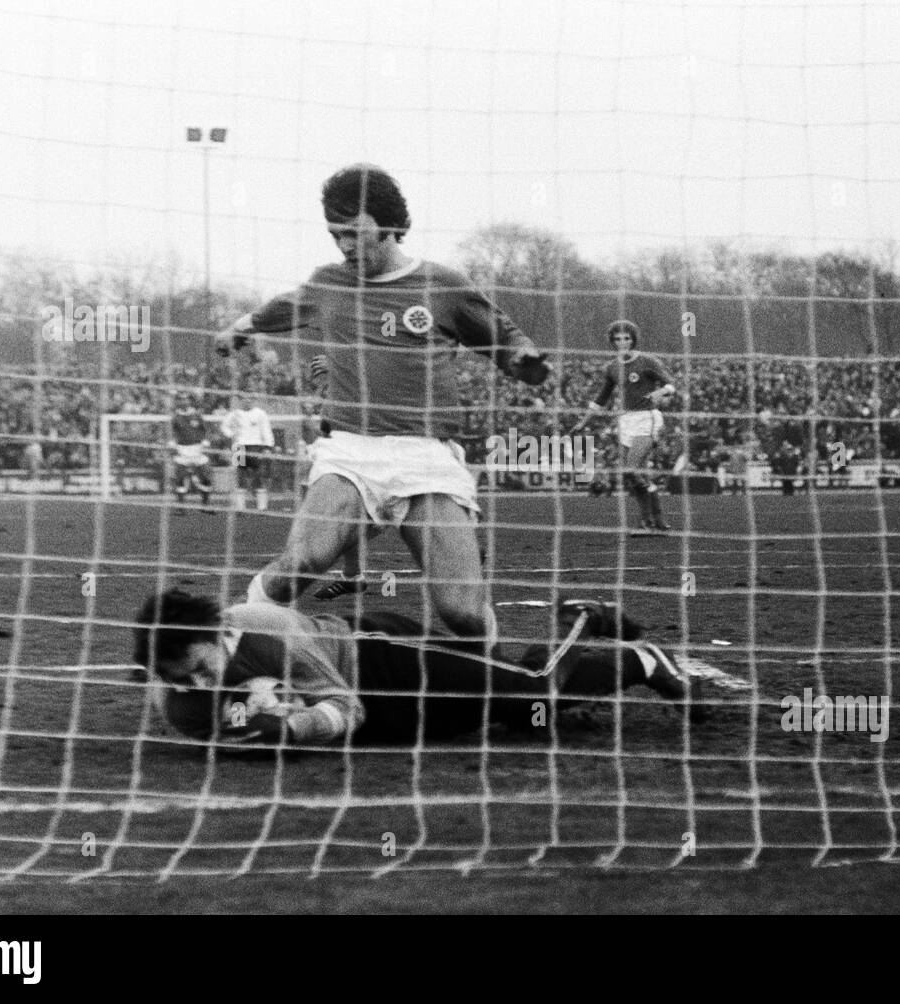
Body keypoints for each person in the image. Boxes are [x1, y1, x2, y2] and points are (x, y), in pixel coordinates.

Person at [217, 164, 550, 650]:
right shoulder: (328, 283)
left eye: (355, 234)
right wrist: (240, 327)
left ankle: (498, 679)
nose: (345, 247)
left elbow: (506, 342)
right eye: (336, 236)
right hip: (349, 452)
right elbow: (283, 307)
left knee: (460, 613)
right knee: (298, 566)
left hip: (426, 458)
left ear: (389, 224)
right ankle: (230, 649)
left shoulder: (442, 286)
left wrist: (526, 362)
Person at [131, 588, 705, 749]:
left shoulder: (266, 631)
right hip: (384, 721)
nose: (193, 684)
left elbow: (345, 708)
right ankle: (531, 672)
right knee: (523, 717)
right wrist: (250, 724)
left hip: (385, 659)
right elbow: (225, 728)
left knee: (532, 694)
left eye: (196, 667)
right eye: (177, 679)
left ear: (210, 633)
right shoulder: (178, 701)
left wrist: (291, 725)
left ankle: (606, 635)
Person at [570, 320, 675, 534]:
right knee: (633, 475)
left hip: (647, 418)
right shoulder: (611, 367)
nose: (622, 342)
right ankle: (651, 522)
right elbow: (600, 399)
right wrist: (582, 422)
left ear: (633, 339)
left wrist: (659, 393)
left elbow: (670, 385)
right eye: (618, 339)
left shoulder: (647, 361)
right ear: (612, 341)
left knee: (631, 468)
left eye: (626, 338)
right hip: (626, 421)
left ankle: (655, 519)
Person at [220, 392, 276, 512]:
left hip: (256, 447)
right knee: (240, 477)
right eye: (244, 399)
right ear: (240, 400)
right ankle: (241, 507)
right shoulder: (234, 414)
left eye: (250, 399)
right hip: (239, 447)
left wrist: (268, 447)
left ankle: (262, 507)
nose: (247, 401)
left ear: (253, 400)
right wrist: (231, 434)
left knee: (259, 476)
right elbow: (224, 427)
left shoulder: (260, 414)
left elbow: (266, 430)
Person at [169, 392, 213, 510]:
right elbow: (171, 432)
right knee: (180, 477)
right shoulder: (175, 417)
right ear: (178, 402)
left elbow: (206, 430)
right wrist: (172, 443)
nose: (184, 402)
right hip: (182, 450)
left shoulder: (197, 415)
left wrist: (205, 441)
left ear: (190, 401)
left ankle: (205, 503)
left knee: (206, 476)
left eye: (186, 399)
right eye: (181, 399)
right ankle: (181, 505)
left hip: (198, 449)